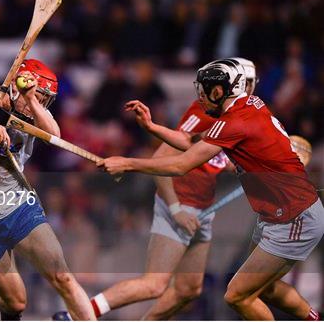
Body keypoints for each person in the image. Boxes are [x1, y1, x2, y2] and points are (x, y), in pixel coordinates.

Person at [98, 59, 323, 320]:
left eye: (204, 91)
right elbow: (191, 142)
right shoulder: (248, 106)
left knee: (238, 295)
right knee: (266, 288)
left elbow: (182, 165)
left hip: (295, 217)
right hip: (277, 215)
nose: (200, 98)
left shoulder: (234, 123)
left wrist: (126, 163)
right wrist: (152, 127)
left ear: (219, 91)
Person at [88, 59, 256, 320]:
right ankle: (78, 312)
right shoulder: (205, 112)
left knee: (189, 290)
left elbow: (208, 155)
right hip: (181, 204)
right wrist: (177, 210)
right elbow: (164, 159)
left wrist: (236, 166)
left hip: (202, 209)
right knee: (154, 285)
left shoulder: (235, 117)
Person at [0, 59, 96, 320]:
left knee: (63, 277)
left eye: (44, 99)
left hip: (18, 207)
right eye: (37, 95)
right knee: (15, 302)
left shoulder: (34, 111)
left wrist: (33, 101)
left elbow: (55, 137)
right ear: (15, 86)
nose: (38, 102)